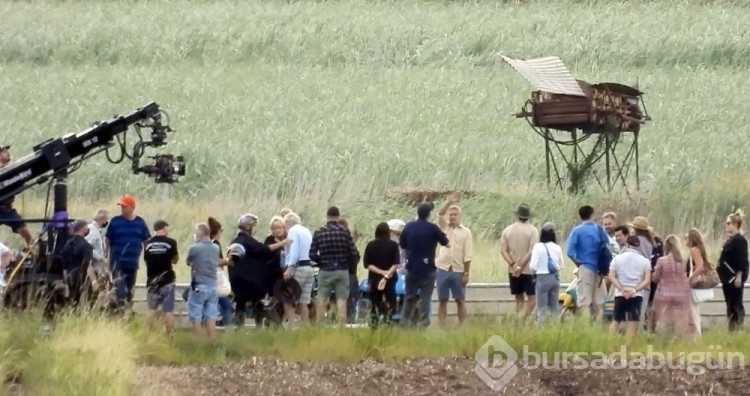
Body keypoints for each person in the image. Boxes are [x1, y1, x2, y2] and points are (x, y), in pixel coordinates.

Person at [230, 214, 290, 328]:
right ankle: (266, 324)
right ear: (249, 226)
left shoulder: (234, 241)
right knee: (259, 301)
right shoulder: (248, 241)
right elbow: (264, 250)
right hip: (249, 281)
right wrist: (282, 243)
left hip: (236, 281)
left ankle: (239, 327)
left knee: (240, 304)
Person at [399, 202, 449, 328]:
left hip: (411, 268)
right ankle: (423, 323)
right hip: (428, 269)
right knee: (425, 297)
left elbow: (403, 245)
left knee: (409, 296)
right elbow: (446, 243)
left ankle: (404, 322)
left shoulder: (409, 226)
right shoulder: (433, 228)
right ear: (429, 214)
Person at [310, 206, 360, 327]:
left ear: (327, 217)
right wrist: (346, 262)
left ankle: (319, 325)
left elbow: (311, 254)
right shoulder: (345, 231)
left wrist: (321, 261)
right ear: (338, 217)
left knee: (322, 298)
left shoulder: (319, 232)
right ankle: (341, 326)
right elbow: (353, 253)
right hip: (342, 270)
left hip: (325, 270)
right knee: (342, 299)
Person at [105, 194, 150, 311]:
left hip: (132, 263)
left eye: (125, 206)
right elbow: (107, 240)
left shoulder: (140, 222)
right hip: (117, 262)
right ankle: (121, 311)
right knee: (120, 290)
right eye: (122, 206)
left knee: (130, 290)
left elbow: (147, 241)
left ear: (132, 207)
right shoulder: (115, 221)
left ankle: (127, 312)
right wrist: (105, 257)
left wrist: (149, 257)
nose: (122, 208)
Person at [435, 192, 473, 327]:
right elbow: (439, 214)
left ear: (460, 217)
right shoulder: (444, 227)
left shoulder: (466, 232)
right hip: (443, 268)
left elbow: (468, 254)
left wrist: (466, 273)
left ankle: (463, 326)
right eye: (450, 215)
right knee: (442, 299)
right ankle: (441, 326)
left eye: (455, 215)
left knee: (460, 300)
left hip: (458, 269)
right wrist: (449, 202)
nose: (452, 217)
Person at [566, 205, 608, 320]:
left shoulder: (577, 231)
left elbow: (570, 252)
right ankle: (598, 326)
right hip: (600, 269)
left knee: (584, 300)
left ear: (581, 216)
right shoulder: (600, 230)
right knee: (599, 302)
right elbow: (607, 248)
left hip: (585, 266)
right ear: (592, 215)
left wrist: (578, 263)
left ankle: (585, 326)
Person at [650, 234, 696, 339]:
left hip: (664, 293)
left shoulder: (662, 260)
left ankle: (664, 338)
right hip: (681, 294)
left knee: (662, 317)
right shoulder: (683, 261)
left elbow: (656, 278)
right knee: (679, 319)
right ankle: (679, 339)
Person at [608, 235, 652, 340]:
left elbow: (611, 276)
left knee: (616, 320)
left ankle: (609, 341)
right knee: (633, 322)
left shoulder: (617, 259)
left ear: (627, 244)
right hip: (636, 295)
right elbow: (647, 280)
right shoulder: (645, 261)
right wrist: (634, 290)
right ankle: (628, 346)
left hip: (620, 294)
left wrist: (622, 288)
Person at [500, 204, 538, 318]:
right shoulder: (533, 231)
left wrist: (514, 265)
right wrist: (520, 266)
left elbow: (503, 250)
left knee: (519, 298)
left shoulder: (507, 230)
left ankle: (518, 319)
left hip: (512, 270)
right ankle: (522, 319)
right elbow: (531, 251)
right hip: (528, 270)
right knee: (532, 299)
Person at [143, 220, 179, 335]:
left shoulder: (147, 243)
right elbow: (175, 259)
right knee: (168, 310)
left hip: (152, 280)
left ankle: (149, 334)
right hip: (167, 280)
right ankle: (170, 336)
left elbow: (146, 260)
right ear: (164, 228)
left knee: (151, 309)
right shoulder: (171, 242)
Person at [363, 222, 400, 328]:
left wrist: (381, 272)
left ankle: (374, 325)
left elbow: (367, 264)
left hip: (374, 279)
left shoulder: (371, 245)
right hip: (390, 279)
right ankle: (389, 323)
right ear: (388, 232)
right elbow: (396, 264)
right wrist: (387, 274)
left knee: (374, 303)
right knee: (390, 302)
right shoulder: (393, 245)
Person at [186, 223, 220, 338]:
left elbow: (189, 262)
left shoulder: (194, 248)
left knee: (196, 314)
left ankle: (198, 340)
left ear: (200, 233)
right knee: (211, 315)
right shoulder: (216, 248)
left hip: (199, 284)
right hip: (213, 285)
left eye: (196, 232)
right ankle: (212, 339)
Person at [717, 209, 748, 332]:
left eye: (728, 223)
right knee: (730, 303)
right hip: (726, 277)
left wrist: (739, 275)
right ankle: (732, 327)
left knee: (736, 303)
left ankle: (737, 327)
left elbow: (742, 259)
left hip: (734, 277)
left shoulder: (740, 240)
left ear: (735, 225)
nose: (726, 226)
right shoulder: (729, 240)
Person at [529, 222, 564, 324]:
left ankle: (541, 329)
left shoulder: (538, 247)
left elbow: (533, 266)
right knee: (554, 307)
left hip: (542, 279)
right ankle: (555, 328)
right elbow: (561, 265)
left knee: (541, 308)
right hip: (555, 278)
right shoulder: (557, 247)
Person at [0, 145, 34, 247]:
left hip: (6, 209)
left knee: (22, 228)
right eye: (4, 151)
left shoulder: (11, 169)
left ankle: (32, 249)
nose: (7, 152)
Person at [282, 212, 313, 325]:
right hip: (309, 268)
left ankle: (291, 326)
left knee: (288, 299)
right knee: (303, 302)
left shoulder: (293, 231)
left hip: (298, 268)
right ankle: (304, 327)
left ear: (288, 223)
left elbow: (294, 250)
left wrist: (290, 267)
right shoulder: (306, 231)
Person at [60, 219, 95, 307]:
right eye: (86, 227)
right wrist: (94, 281)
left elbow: (64, 265)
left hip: (68, 276)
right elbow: (88, 265)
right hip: (81, 277)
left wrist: (65, 282)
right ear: (82, 229)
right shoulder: (85, 246)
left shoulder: (67, 244)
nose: (88, 229)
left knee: (71, 301)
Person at [208, 217, 233, 328]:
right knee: (226, 305)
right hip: (216, 279)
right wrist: (229, 260)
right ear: (217, 231)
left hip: (206, 277)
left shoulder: (204, 243)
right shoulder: (215, 244)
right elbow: (217, 261)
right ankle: (228, 327)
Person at [685, 228, 709, 337]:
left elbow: (700, 267)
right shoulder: (698, 249)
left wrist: (689, 279)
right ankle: (695, 335)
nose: (685, 239)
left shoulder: (694, 250)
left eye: (686, 237)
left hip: (692, 284)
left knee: (693, 311)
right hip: (694, 283)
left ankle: (695, 336)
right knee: (694, 310)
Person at [338, 217, 359, 324]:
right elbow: (357, 257)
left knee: (342, 299)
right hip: (351, 273)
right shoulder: (350, 241)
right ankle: (350, 321)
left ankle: (343, 320)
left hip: (343, 272)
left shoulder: (338, 242)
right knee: (351, 300)